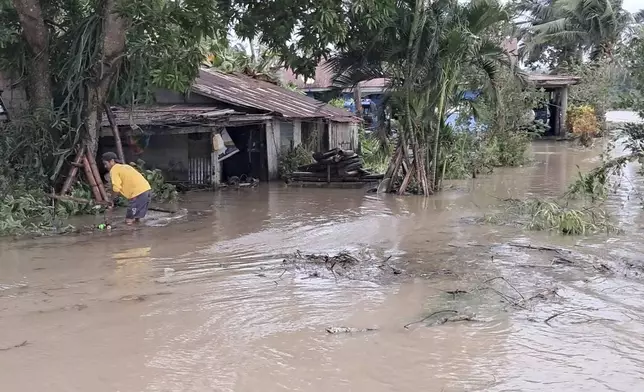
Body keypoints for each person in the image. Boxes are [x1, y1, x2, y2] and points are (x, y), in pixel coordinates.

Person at [101, 152, 152, 225]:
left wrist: (111, 200)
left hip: (137, 194)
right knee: (137, 218)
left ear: (112, 161)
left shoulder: (114, 170)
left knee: (129, 221)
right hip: (147, 190)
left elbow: (116, 189)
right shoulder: (125, 166)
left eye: (105, 164)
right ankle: (139, 234)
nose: (105, 166)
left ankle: (129, 235)